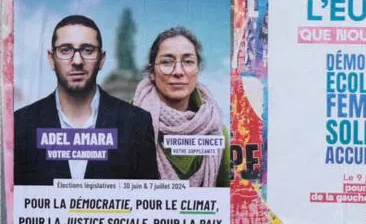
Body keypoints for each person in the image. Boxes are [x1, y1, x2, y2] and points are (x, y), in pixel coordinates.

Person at [13, 15, 159, 185]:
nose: (77, 61)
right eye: (66, 50)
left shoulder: (137, 123)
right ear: (51, 59)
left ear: (101, 59)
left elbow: (147, 205)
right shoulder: (21, 123)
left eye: (87, 50)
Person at [132, 27, 229, 187]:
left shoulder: (216, 130)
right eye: (167, 62)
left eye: (188, 62)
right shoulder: (128, 122)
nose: (178, 71)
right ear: (151, 72)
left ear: (198, 69)